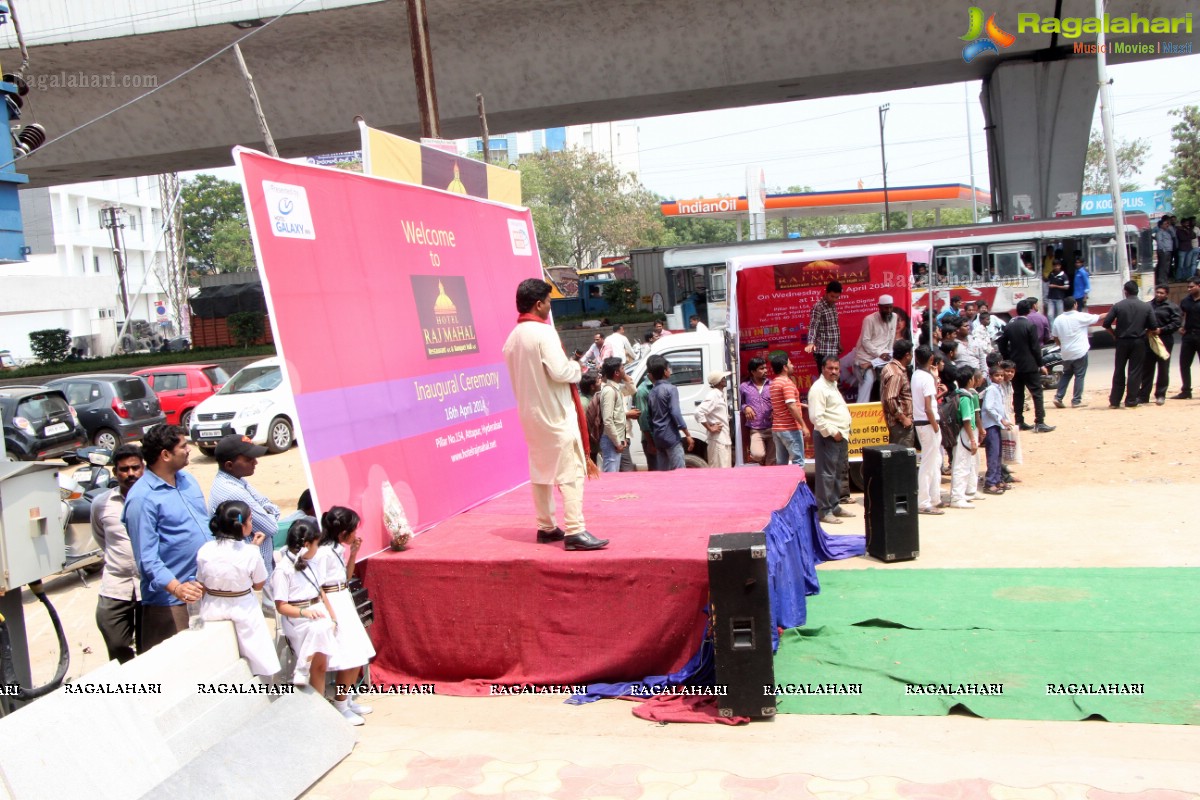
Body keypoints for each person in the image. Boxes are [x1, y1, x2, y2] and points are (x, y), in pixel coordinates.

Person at [504, 279, 606, 551]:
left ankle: (546, 526)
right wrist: (578, 368)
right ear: (539, 304)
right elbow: (560, 372)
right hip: (555, 414)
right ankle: (575, 530)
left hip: (531, 415)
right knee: (570, 472)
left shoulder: (512, 338)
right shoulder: (543, 333)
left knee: (541, 472)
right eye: (549, 302)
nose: (550, 307)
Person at [123, 424, 210, 652]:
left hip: (205, 593)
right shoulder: (142, 498)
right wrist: (178, 588)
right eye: (183, 446)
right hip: (171, 603)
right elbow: (147, 559)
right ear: (165, 454)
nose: (189, 449)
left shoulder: (187, 481)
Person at [197, 500, 279, 677]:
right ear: (242, 525)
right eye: (250, 520)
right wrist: (254, 551)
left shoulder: (205, 549)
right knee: (258, 658)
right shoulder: (250, 553)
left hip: (212, 607)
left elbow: (202, 582)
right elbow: (259, 584)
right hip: (243, 608)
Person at [317, 507, 377, 724]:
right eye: (352, 530)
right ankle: (341, 703)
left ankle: (348, 698)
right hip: (335, 605)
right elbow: (319, 586)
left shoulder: (336, 549)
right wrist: (331, 614)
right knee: (347, 656)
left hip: (344, 599)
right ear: (343, 532)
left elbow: (345, 577)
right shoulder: (322, 553)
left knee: (357, 653)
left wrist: (353, 554)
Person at [272, 518, 340, 696]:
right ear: (308, 544)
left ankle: (319, 696)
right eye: (316, 544)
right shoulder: (283, 570)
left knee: (321, 665)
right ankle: (303, 672)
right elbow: (281, 606)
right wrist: (304, 612)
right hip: (299, 619)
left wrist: (333, 617)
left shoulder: (312, 562)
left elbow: (321, 592)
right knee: (316, 664)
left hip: (318, 613)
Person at [91, 443, 146, 664]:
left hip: (149, 586)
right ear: (115, 472)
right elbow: (101, 538)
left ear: (144, 468)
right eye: (124, 469)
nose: (130, 474)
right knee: (116, 645)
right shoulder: (102, 504)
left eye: (135, 468)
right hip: (116, 585)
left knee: (151, 647)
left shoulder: (154, 500)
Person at [209, 434, 281, 579]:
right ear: (229, 465)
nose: (255, 462)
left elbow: (268, 503)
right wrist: (267, 512)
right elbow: (271, 527)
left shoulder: (236, 480)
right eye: (249, 459)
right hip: (251, 575)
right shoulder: (233, 491)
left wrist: (267, 510)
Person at [808, 356, 854, 525]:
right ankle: (825, 511)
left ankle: (834, 506)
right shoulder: (818, 388)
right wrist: (833, 432)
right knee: (826, 475)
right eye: (831, 368)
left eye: (836, 368)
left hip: (840, 436)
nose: (834, 371)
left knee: (837, 473)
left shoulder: (832, 386)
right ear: (823, 369)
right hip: (828, 436)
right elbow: (816, 418)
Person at [999, 299, 1054, 433]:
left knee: (1018, 394)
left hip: (1014, 366)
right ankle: (1039, 422)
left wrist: (1007, 358)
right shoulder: (1029, 325)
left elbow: (1001, 344)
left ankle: (1019, 421)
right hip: (1029, 365)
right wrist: (1040, 364)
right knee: (1037, 393)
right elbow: (1035, 347)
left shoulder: (1009, 325)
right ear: (1029, 310)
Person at [1103, 280, 1157, 409]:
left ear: (1125, 292)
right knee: (1135, 371)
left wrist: (1113, 334)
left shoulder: (1118, 305)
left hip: (1121, 341)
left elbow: (1106, 323)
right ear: (1137, 291)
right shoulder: (1146, 306)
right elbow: (1154, 326)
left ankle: (1115, 401)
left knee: (1119, 370)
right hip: (1139, 341)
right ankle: (1131, 400)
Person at [1051, 296, 1101, 409]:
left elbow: (1055, 337)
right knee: (1079, 375)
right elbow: (1098, 318)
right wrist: (1113, 311)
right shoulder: (1080, 316)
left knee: (1066, 375)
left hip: (1066, 353)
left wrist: (1062, 345)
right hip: (1080, 352)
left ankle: (1058, 397)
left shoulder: (1058, 319)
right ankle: (1076, 400)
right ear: (1075, 305)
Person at [647, 354, 694, 470]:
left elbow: (649, 418)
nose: (670, 370)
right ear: (665, 372)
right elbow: (675, 413)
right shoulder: (671, 389)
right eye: (668, 368)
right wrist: (687, 434)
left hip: (658, 436)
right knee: (679, 471)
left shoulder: (652, 392)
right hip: (671, 436)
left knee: (664, 473)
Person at [911, 345, 943, 515]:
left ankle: (934, 496)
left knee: (934, 461)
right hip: (928, 422)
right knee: (928, 463)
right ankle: (924, 502)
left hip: (922, 422)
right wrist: (936, 426)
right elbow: (929, 407)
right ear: (931, 359)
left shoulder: (916, 375)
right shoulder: (926, 378)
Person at [1138, 284, 1182, 406]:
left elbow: (1176, 323)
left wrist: (1161, 330)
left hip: (1164, 339)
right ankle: (1143, 395)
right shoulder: (1147, 306)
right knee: (1147, 368)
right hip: (1149, 340)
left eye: (1161, 293)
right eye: (1157, 292)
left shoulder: (1172, 307)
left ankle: (1160, 394)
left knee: (1163, 368)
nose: (1158, 295)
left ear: (1166, 294)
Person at [852, 295, 898, 402]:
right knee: (867, 383)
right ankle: (861, 413)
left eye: (891, 307)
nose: (889, 311)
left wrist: (888, 354)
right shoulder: (869, 319)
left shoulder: (894, 317)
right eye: (886, 308)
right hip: (866, 357)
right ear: (879, 307)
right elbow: (865, 341)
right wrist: (879, 354)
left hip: (883, 358)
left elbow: (891, 338)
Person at [598, 356, 639, 473]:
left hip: (618, 438)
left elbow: (632, 390)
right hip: (612, 440)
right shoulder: (609, 391)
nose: (624, 370)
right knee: (612, 474)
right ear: (616, 373)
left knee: (616, 473)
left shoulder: (616, 388)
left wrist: (624, 376)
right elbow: (607, 420)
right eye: (622, 368)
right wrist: (617, 442)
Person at [949, 369, 982, 510]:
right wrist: (973, 440)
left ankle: (961, 495)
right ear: (970, 381)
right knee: (962, 465)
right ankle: (957, 497)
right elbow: (967, 420)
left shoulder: (958, 394)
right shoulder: (966, 398)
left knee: (963, 464)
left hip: (961, 433)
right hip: (964, 433)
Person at [769, 354, 809, 466]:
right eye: (790, 363)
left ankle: (782, 484)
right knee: (798, 462)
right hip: (790, 428)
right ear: (784, 367)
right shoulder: (787, 383)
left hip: (778, 429)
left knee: (781, 464)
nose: (793, 366)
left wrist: (801, 404)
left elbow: (784, 402)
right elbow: (791, 405)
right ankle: (799, 484)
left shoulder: (774, 383)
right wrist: (804, 426)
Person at [980, 364, 1011, 496]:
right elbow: (988, 407)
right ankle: (990, 483)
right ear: (991, 377)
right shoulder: (992, 389)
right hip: (991, 425)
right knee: (993, 453)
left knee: (998, 454)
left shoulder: (999, 389)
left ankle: (997, 479)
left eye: (1001, 375)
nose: (1000, 378)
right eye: (997, 375)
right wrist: (1001, 419)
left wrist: (1005, 420)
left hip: (997, 424)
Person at [739, 357, 776, 465]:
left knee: (772, 461)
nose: (765, 371)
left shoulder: (772, 385)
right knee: (757, 455)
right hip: (756, 429)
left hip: (772, 427)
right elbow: (740, 404)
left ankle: (769, 479)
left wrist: (775, 410)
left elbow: (779, 401)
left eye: (765, 368)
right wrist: (746, 407)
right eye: (761, 368)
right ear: (753, 372)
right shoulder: (744, 387)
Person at [880, 339, 915, 446]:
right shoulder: (896, 373)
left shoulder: (889, 367)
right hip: (900, 425)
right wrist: (903, 418)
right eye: (912, 354)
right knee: (902, 457)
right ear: (907, 355)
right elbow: (890, 398)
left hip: (897, 423)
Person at [694, 371, 732, 468]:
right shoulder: (713, 395)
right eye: (723, 378)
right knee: (720, 469)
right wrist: (710, 428)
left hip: (722, 438)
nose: (725, 380)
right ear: (718, 381)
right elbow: (698, 412)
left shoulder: (719, 394)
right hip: (718, 439)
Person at [805, 281, 842, 370]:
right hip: (823, 350)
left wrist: (838, 344)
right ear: (826, 293)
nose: (834, 299)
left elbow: (834, 327)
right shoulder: (818, 307)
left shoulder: (833, 306)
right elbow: (813, 326)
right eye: (832, 296)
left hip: (833, 349)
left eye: (837, 297)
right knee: (825, 379)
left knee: (834, 379)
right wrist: (810, 343)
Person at [1176, 277, 1200, 399]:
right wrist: (1180, 326)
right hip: (1189, 335)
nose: (1189, 289)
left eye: (1191, 286)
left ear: (1198, 286)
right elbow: (1182, 314)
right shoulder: (1186, 301)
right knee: (1184, 364)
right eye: (1188, 287)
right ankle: (1186, 391)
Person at [632, 373, 658, 471]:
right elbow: (642, 417)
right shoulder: (642, 390)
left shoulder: (659, 386)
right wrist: (650, 442)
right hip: (651, 438)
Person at [1155, 217, 1174, 285]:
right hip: (1164, 251)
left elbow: (1173, 235)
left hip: (1169, 250)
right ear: (1161, 225)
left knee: (1167, 266)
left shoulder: (1168, 232)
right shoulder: (1159, 232)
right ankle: (1161, 280)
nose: (1167, 225)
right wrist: (1163, 250)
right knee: (1163, 266)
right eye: (1165, 224)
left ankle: (1165, 279)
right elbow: (1159, 242)